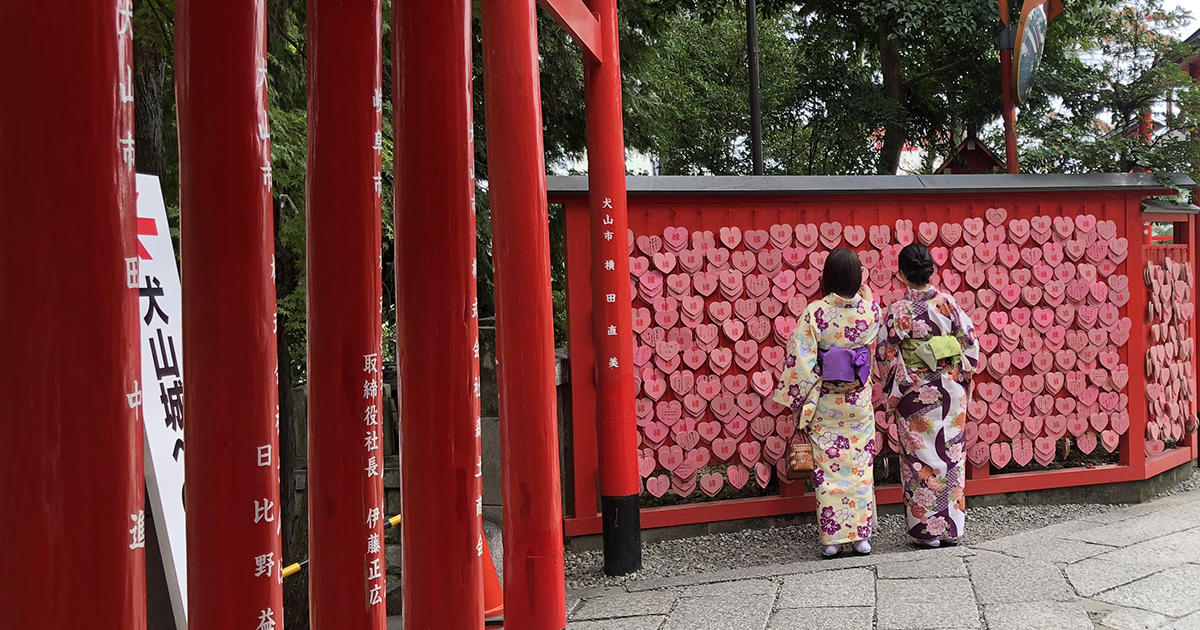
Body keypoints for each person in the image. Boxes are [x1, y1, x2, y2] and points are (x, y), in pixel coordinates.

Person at [774, 248, 881, 558]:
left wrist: (797, 400)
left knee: (828, 469)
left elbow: (802, 360)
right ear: (858, 278)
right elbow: (874, 322)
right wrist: (868, 297)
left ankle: (832, 539)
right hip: (858, 401)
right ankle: (861, 538)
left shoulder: (816, 312)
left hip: (827, 401)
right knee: (860, 466)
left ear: (828, 277)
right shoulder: (869, 311)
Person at [877, 243, 979, 547]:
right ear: (930, 271)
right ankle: (950, 529)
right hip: (949, 392)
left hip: (914, 393)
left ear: (901, 274)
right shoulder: (948, 304)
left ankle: (926, 531)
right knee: (951, 458)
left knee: (918, 461)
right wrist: (958, 375)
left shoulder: (898, 311)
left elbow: (885, 354)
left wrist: (898, 388)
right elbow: (969, 345)